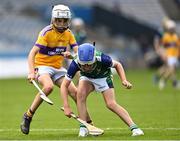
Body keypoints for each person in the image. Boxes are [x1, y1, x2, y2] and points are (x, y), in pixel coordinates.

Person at [20, 4, 92, 135]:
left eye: (64, 20)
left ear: (68, 20)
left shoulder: (69, 33)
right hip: (42, 66)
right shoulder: (46, 33)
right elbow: (32, 53)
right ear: (53, 19)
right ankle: (28, 116)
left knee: (76, 93)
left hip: (58, 68)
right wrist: (31, 71)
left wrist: (74, 56)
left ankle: (88, 123)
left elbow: (78, 53)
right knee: (48, 87)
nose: (61, 23)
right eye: (59, 20)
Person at [61, 43, 144, 137]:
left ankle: (135, 128)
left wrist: (124, 80)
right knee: (80, 95)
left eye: (89, 65)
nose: (86, 67)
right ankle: (83, 127)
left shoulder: (102, 58)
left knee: (111, 104)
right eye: (84, 65)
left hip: (103, 77)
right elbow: (64, 85)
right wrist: (66, 106)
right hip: (87, 78)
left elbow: (118, 65)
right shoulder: (75, 63)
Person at [154, 19, 180, 89]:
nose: (172, 30)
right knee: (171, 69)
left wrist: (178, 55)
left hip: (174, 56)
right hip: (169, 55)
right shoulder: (166, 36)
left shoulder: (176, 36)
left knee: (169, 69)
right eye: (171, 28)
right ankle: (173, 82)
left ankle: (159, 78)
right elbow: (162, 46)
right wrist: (163, 54)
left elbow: (178, 46)